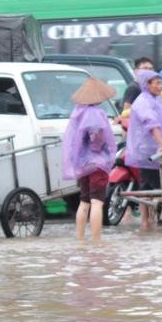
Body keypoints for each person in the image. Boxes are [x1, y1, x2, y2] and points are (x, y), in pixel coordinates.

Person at [62, 77, 117, 243]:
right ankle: (96, 241)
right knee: (97, 203)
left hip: (83, 165)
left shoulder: (78, 113)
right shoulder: (96, 114)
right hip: (97, 164)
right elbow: (98, 140)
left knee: (84, 203)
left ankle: (80, 239)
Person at [124, 69, 162, 230]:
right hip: (147, 151)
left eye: (160, 83)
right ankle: (146, 221)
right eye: (157, 83)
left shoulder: (156, 99)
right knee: (150, 186)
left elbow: (161, 126)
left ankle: (150, 221)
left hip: (154, 148)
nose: (160, 86)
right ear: (147, 84)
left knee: (151, 186)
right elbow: (152, 125)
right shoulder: (143, 101)